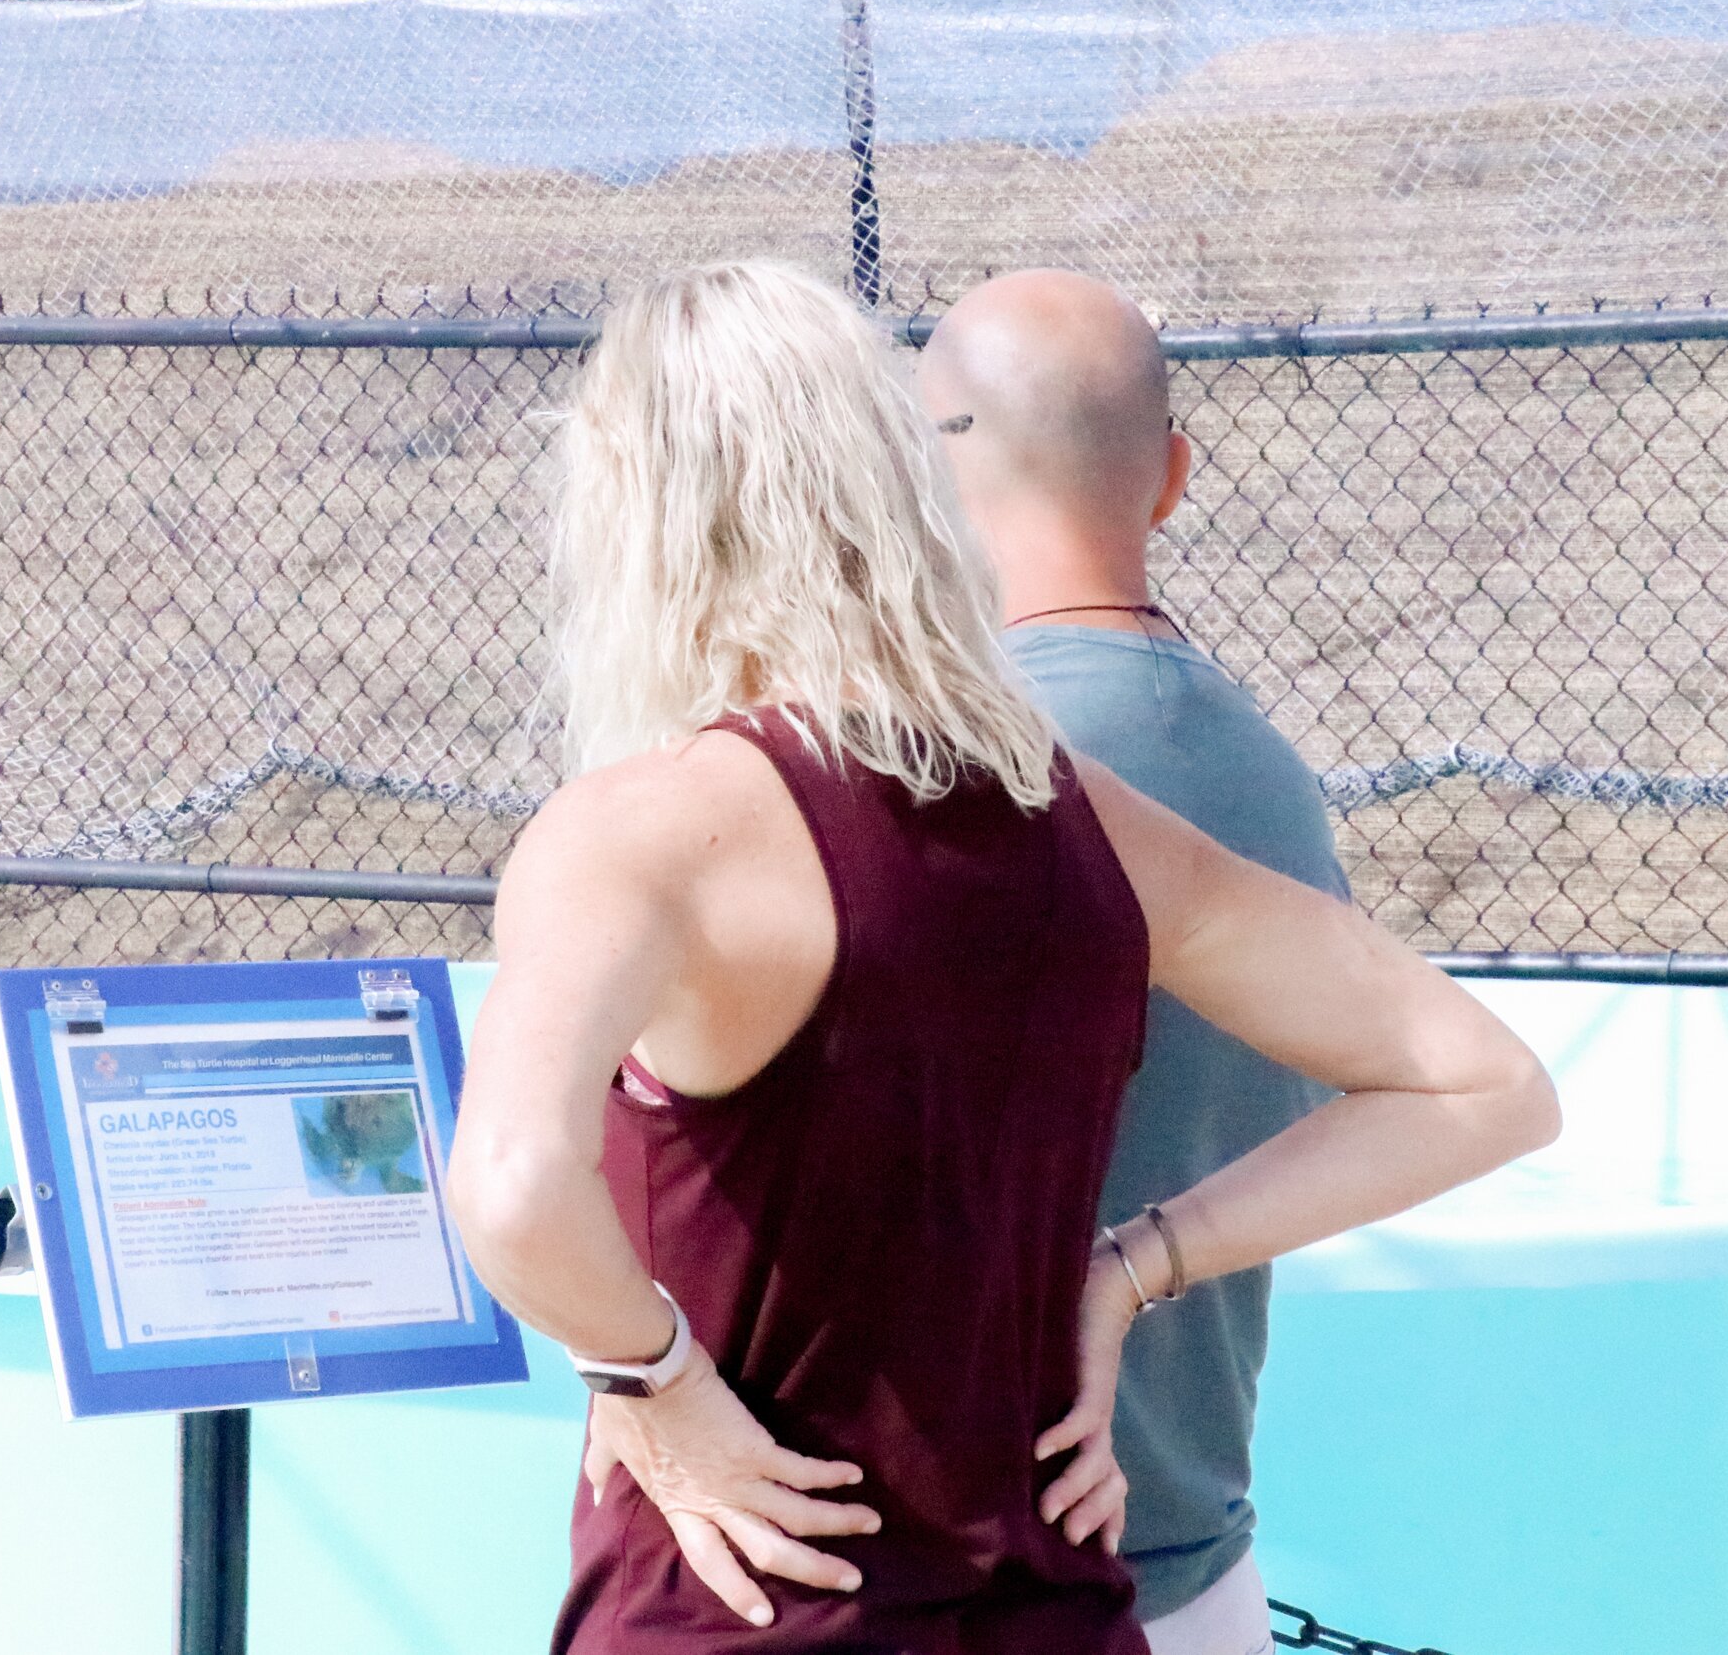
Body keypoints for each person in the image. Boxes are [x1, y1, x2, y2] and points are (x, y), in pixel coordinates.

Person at [442, 259, 1558, 1655]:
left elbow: (511, 1182)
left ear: (638, 517)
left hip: (738, 1613)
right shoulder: (1083, 817)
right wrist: (1133, 1267)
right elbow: (1487, 1083)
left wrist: (656, 1382)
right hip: (1056, 1612)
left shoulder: (634, 836)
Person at [917, 267, 1351, 1655]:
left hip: (953, 1578)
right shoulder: (1271, 778)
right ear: (1170, 477)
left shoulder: (919, 779)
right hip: (1194, 1566)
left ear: (925, 484)